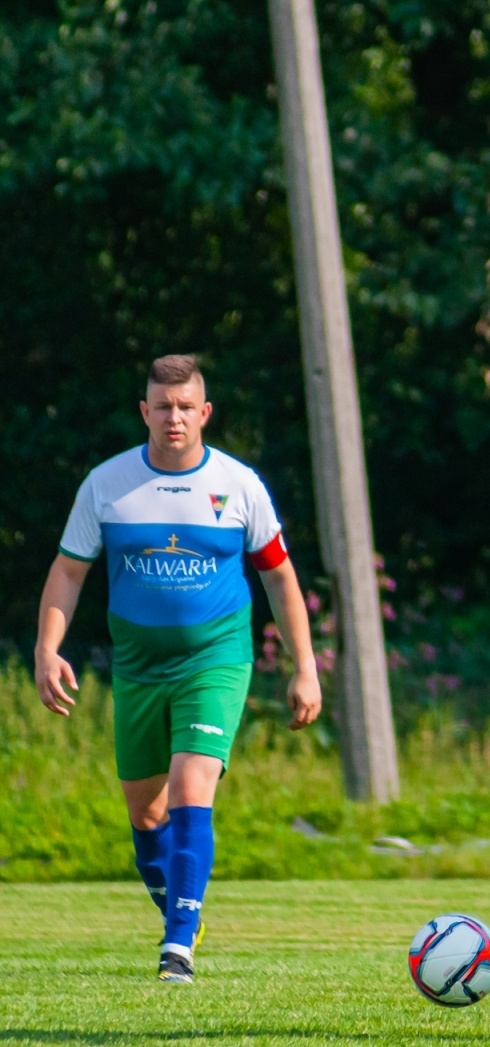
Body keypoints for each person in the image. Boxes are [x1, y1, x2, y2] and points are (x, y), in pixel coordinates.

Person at [33, 355, 321, 984]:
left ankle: (178, 949)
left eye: (186, 407)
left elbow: (279, 575)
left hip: (214, 661)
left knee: (194, 788)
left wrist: (306, 666)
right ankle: (181, 912)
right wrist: (47, 647)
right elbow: (69, 571)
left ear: (205, 413)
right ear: (145, 411)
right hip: (137, 670)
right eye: (162, 407)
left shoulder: (239, 485)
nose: (174, 418)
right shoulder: (106, 485)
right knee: (146, 817)